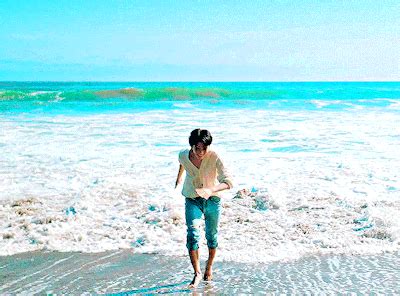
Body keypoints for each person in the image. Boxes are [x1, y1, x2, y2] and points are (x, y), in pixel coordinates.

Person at [175, 128, 233, 288]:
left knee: (211, 236)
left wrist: (211, 190)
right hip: (192, 198)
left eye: (204, 148)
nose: (200, 152)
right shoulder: (183, 154)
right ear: (191, 146)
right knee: (192, 235)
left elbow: (228, 181)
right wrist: (178, 177)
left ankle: (209, 266)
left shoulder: (215, 156)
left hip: (212, 200)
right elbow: (182, 163)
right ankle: (197, 273)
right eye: (197, 148)